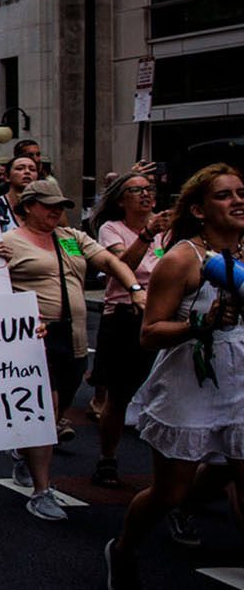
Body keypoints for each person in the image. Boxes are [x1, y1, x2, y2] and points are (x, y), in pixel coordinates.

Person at [106, 164, 244, 590]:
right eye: (225, 195)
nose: (239, 201)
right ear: (200, 210)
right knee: (171, 491)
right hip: (190, 382)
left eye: (242, 192)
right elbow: (150, 333)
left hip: (239, 381)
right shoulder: (182, 259)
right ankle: (124, 550)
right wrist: (198, 324)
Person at [0, 181, 142, 521]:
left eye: (59, 205)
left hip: (74, 338)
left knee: (58, 406)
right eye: (48, 205)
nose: (55, 211)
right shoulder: (8, 243)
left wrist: (134, 288)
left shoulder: (72, 238)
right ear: (29, 206)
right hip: (35, 337)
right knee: (46, 411)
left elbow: (108, 260)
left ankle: (23, 449)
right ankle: (42, 490)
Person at [89, 169, 171, 487]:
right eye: (137, 191)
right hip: (124, 316)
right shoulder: (112, 229)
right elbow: (123, 267)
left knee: (165, 392)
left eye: (149, 189)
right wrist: (147, 235)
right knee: (120, 393)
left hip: (163, 314)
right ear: (122, 200)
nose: (146, 195)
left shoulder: (168, 231)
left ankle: (168, 468)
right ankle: (107, 458)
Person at [0, 153, 39, 232]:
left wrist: (62, 244)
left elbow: (64, 237)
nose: (27, 172)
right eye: (20, 168)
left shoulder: (48, 206)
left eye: (32, 169)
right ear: (7, 177)